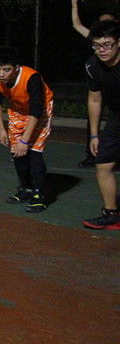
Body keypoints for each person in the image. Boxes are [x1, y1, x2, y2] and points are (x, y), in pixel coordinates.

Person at [0, 46, 53, 213]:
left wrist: (25, 140)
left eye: (6, 70)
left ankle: (40, 195)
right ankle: (26, 189)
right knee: (17, 152)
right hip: (18, 109)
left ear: (16, 68)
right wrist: (1, 129)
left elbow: (36, 111)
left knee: (34, 152)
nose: (1, 74)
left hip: (40, 111)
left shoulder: (31, 78)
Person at [71, 0, 118, 168]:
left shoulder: (114, 41)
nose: (102, 48)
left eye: (108, 23)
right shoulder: (93, 62)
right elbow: (77, 25)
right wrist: (74, 5)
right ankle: (93, 153)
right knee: (94, 117)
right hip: (106, 90)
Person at [82, 20, 120, 229]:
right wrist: (94, 135)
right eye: (97, 46)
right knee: (103, 163)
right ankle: (111, 214)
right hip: (117, 116)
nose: (102, 50)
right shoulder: (92, 66)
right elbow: (95, 99)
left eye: (107, 45)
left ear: (119, 43)